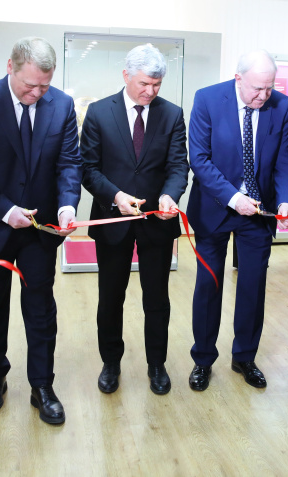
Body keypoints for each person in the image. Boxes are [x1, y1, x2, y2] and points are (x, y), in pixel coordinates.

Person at [0, 37, 81, 423]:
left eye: (45, 85)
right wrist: (5, 210)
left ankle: (42, 385)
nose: (38, 93)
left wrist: (67, 204)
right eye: (30, 84)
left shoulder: (62, 105)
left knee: (41, 308)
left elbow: (69, 162)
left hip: (39, 230)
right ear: (10, 66)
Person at [80, 44, 189, 395]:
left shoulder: (171, 114)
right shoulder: (99, 112)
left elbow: (178, 166)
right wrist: (116, 196)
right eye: (144, 83)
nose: (150, 91)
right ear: (126, 75)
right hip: (114, 219)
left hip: (158, 221)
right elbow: (88, 169)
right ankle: (111, 362)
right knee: (111, 296)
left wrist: (170, 195)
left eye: (157, 84)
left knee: (156, 298)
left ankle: (157, 364)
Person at [186, 50, 288, 391]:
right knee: (209, 286)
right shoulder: (207, 99)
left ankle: (245, 356)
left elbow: (284, 159)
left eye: (269, 88)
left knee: (253, 286)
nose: (264, 96)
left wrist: (285, 199)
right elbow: (199, 159)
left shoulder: (281, 105)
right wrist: (234, 198)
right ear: (238, 79)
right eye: (257, 89)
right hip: (215, 208)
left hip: (258, 213)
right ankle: (203, 359)